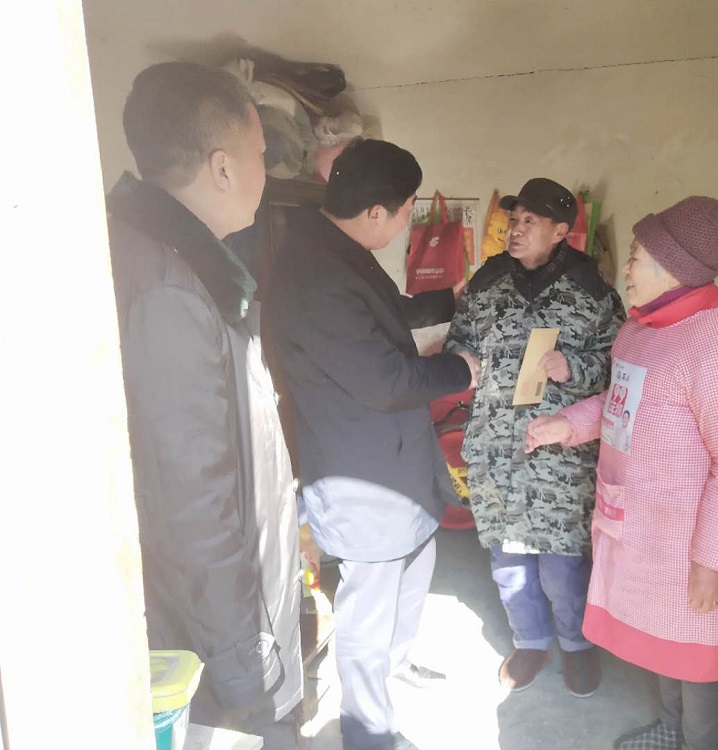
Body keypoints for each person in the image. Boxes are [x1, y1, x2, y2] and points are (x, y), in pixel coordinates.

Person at [526, 196, 718, 750]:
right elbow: (620, 405)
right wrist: (568, 424)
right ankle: (669, 726)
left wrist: (714, 560)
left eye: (636, 255)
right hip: (640, 527)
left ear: (671, 269)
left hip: (690, 537)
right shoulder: (640, 331)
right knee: (664, 636)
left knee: (697, 652)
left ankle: (701, 743)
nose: (627, 268)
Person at [105, 62, 303, 747]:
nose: (264, 173)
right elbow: (191, 506)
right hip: (218, 651)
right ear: (222, 167)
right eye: (260, 154)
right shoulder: (170, 288)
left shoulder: (160, 256)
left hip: (210, 628)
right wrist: (248, 674)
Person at [263, 138, 479, 750]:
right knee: (370, 603)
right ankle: (367, 729)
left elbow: (388, 312)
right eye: (408, 209)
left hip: (398, 456)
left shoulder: (339, 245)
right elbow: (385, 382)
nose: (408, 219)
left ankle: (397, 661)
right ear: (377, 211)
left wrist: (447, 300)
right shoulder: (315, 276)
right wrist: (461, 370)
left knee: (415, 567)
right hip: (361, 467)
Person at [445, 178, 625, 698]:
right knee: (508, 560)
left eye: (529, 221)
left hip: (560, 455)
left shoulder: (592, 292)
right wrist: (463, 364)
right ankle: (531, 642)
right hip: (495, 445)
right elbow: (460, 341)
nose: (515, 230)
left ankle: (576, 644)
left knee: (563, 565)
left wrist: (575, 368)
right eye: (513, 220)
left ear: (561, 231)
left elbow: (620, 365)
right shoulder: (486, 282)